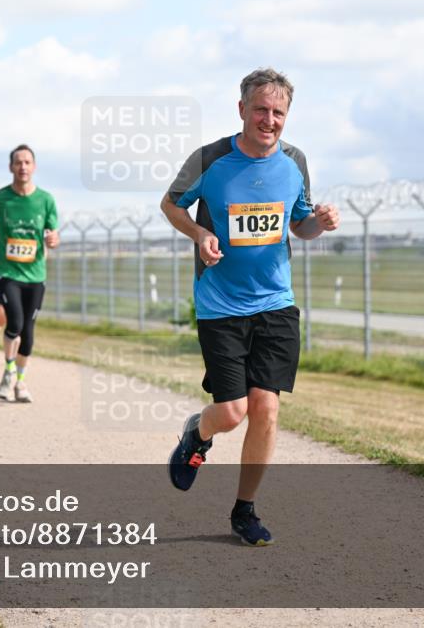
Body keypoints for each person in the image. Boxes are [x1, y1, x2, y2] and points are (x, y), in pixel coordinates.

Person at [160, 68, 340, 546]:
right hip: (220, 304)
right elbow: (171, 204)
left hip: (276, 302)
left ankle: (245, 510)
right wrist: (199, 233)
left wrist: (319, 222)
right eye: (260, 109)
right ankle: (197, 434)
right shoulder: (211, 159)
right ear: (241, 109)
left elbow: (298, 225)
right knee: (233, 411)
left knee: (267, 409)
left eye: (278, 112)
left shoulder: (295, 161)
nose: (269, 119)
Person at [0, 144, 59, 403]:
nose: (23, 167)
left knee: (28, 332)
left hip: (35, 275)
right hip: (7, 272)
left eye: (27, 162)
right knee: (13, 321)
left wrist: (53, 240)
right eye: (18, 162)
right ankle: (8, 371)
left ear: (33, 167)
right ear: (11, 167)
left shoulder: (46, 200)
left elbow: (53, 232)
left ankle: (21, 382)